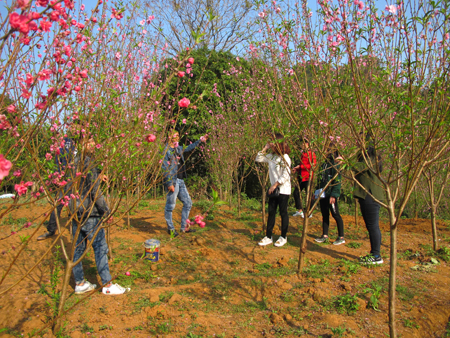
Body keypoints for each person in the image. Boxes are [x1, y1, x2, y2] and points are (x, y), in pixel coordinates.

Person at [69, 136, 129, 294]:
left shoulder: (74, 161)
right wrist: (106, 210)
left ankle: (80, 283)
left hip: (75, 209)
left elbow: (80, 183)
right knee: (100, 247)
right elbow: (95, 191)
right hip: (89, 212)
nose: (93, 144)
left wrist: (97, 175)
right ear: (81, 143)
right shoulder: (88, 162)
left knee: (78, 249)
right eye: (89, 141)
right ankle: (107, 285)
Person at [37, 120, 79, 241]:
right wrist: (59, 174)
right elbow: (58, 157)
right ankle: (51, 229)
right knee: (59, 202)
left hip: (78, 177)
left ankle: (74, 228)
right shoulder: (65, 141)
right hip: (66, 176)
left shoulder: (82, 142)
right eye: (74, 126)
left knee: (74, 202)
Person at [162, 129, 208, 237]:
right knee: (170, 206)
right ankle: (171, 229)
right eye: (175, 135)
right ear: (170, 137)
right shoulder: (166, 151)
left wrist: (200, 141)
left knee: (188, 203)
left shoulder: (178, 148)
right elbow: (164, 168)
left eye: (178, 135)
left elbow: (189, 148)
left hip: (180, 180)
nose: (177, 137)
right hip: (173, 181)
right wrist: (169, 183)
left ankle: (184, 227)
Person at [255, 133, 291, 247]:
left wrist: (275, 184)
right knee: (271, 212)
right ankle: (268, 236)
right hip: (273, 190)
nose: (270, 144)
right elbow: (259, 158)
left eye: (272, 142)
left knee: (283, 213)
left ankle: (283, 237)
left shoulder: (285, 157)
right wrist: (265, 148)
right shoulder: (272, 156)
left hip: (283, 190)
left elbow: (286, 174)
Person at [353, 136, 385, 264]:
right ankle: (374, 254)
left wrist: (345, 161)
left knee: (373, 226)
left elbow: (357, 167)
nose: (357, 142)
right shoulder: (367, 157)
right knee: (371, 225)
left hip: (370, 195)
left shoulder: (372, 158)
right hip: (367, 195)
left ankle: (376, 256)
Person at [314, 143, 345, 245]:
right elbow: (320, 179)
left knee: (335, 214)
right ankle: (325, 235)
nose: (326, 152)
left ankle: (341, 236)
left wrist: (334, 195)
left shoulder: (335, 164)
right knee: (324, 214)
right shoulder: (324, 164)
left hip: (330, 193)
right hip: (323, 193)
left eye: (328, 150)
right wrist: (317, 191)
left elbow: (337, 181)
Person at [292, 137, 316, 218]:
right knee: (296, 192)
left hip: (308, 177)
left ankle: (309, 211)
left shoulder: (311, 154)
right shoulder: (303, 154)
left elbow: (312, 166)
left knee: (309, 195)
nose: (302, 145)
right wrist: (297, 170)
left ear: (307, 144)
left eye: (303, 144)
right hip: (301, 177)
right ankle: (300, 210)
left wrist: (300, 166)